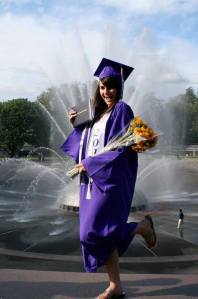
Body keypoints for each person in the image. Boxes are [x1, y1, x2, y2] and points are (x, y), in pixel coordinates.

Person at [61, 58, 157, 299]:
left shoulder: (122, 110)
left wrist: (90, 164)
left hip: (109, 181)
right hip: (90, 182)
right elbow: (84, 143)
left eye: (111, 86)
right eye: (102, 87)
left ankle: (139, 227)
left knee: (92, 233)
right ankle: (115, 286)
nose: (106, 92)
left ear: (120, 86)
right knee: (98, 233)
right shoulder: (95, 113)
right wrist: (75, 125)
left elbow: (121, 149)